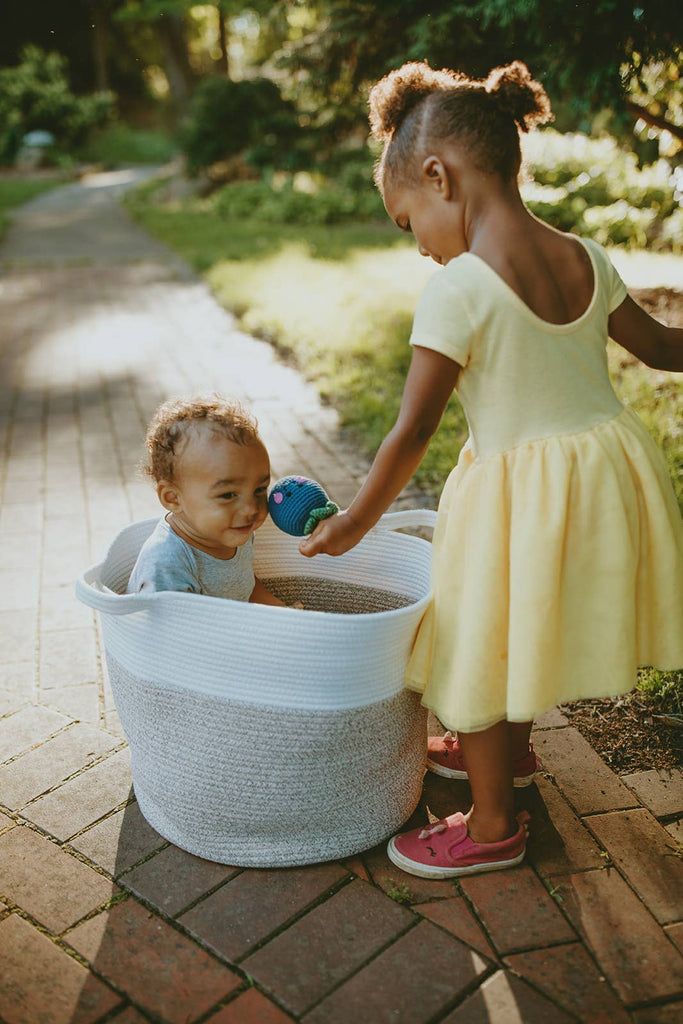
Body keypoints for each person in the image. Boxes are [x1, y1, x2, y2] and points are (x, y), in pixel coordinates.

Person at [299, 60, 683, 877]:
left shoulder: (460, 289)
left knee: (474, 638)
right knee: (526, 620)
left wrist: (353, 523)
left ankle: (491, 826)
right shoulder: (584, 254)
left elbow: (412, 431)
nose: (419, 249)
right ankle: (506, 756)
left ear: (439, 176)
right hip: (603, 474)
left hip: (515, 489)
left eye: (409, 224)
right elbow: (661, 350)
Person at [127, 394, 284, 605]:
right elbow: (167, 634)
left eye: (259, 489)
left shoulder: (235, 530)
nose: (251, 509)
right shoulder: (167, 564)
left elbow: (246, 584)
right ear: (173, 497)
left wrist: (285, 612)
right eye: (228, 495)